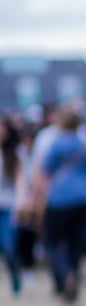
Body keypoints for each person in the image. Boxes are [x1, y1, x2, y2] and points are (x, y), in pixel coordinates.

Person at [41, 108, 86, 303]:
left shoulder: (56, 143)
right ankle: (72, 286)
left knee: (51, 241)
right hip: (85, 198)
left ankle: (66, 274)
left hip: (60, 198)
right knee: (75, 242)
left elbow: (45, 171)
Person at [0, 116, 25, 295]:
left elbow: (20, 181)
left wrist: (20, 204)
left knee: (9, 245)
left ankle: (16, 273)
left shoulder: (15, 154)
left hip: (8, 205)